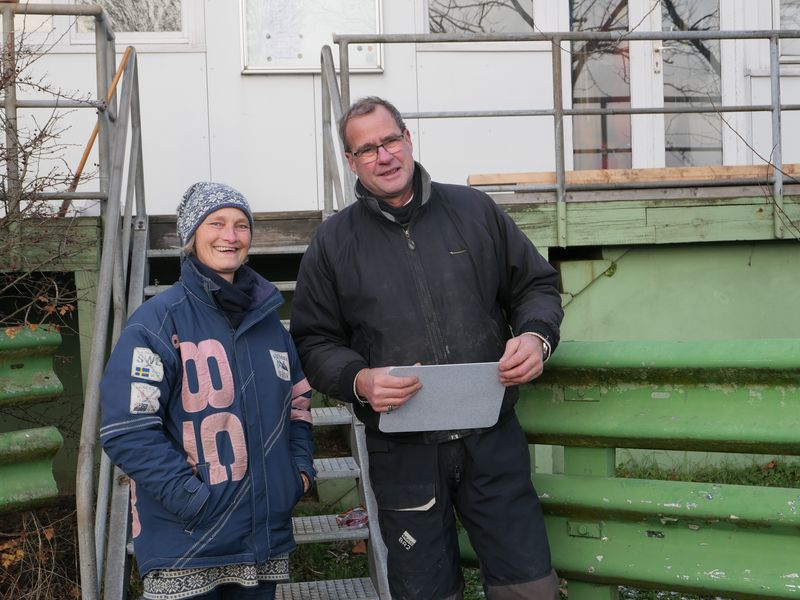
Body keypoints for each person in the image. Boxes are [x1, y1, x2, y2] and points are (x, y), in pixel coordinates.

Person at [290, 97, 564, 600]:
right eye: (367, 149)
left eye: (390, 140)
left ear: (408, 138)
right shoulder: (332, 243)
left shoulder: (474, 210)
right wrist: (359, 380)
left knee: (528, 586)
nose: (384, 156)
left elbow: (536, 287)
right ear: (351, 161)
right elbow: (314, 340)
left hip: (491, 437)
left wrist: (535, 337)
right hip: (403, 453)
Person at [99, 182, 315, 600]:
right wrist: (191, 499)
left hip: (262, 542)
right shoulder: (157, 323)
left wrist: (298, 475)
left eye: (241, 225)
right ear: (191, 235)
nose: (230, 236)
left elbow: (299, 406)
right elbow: (128, 429)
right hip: (186, 544)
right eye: (215, 223)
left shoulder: (269, 325)